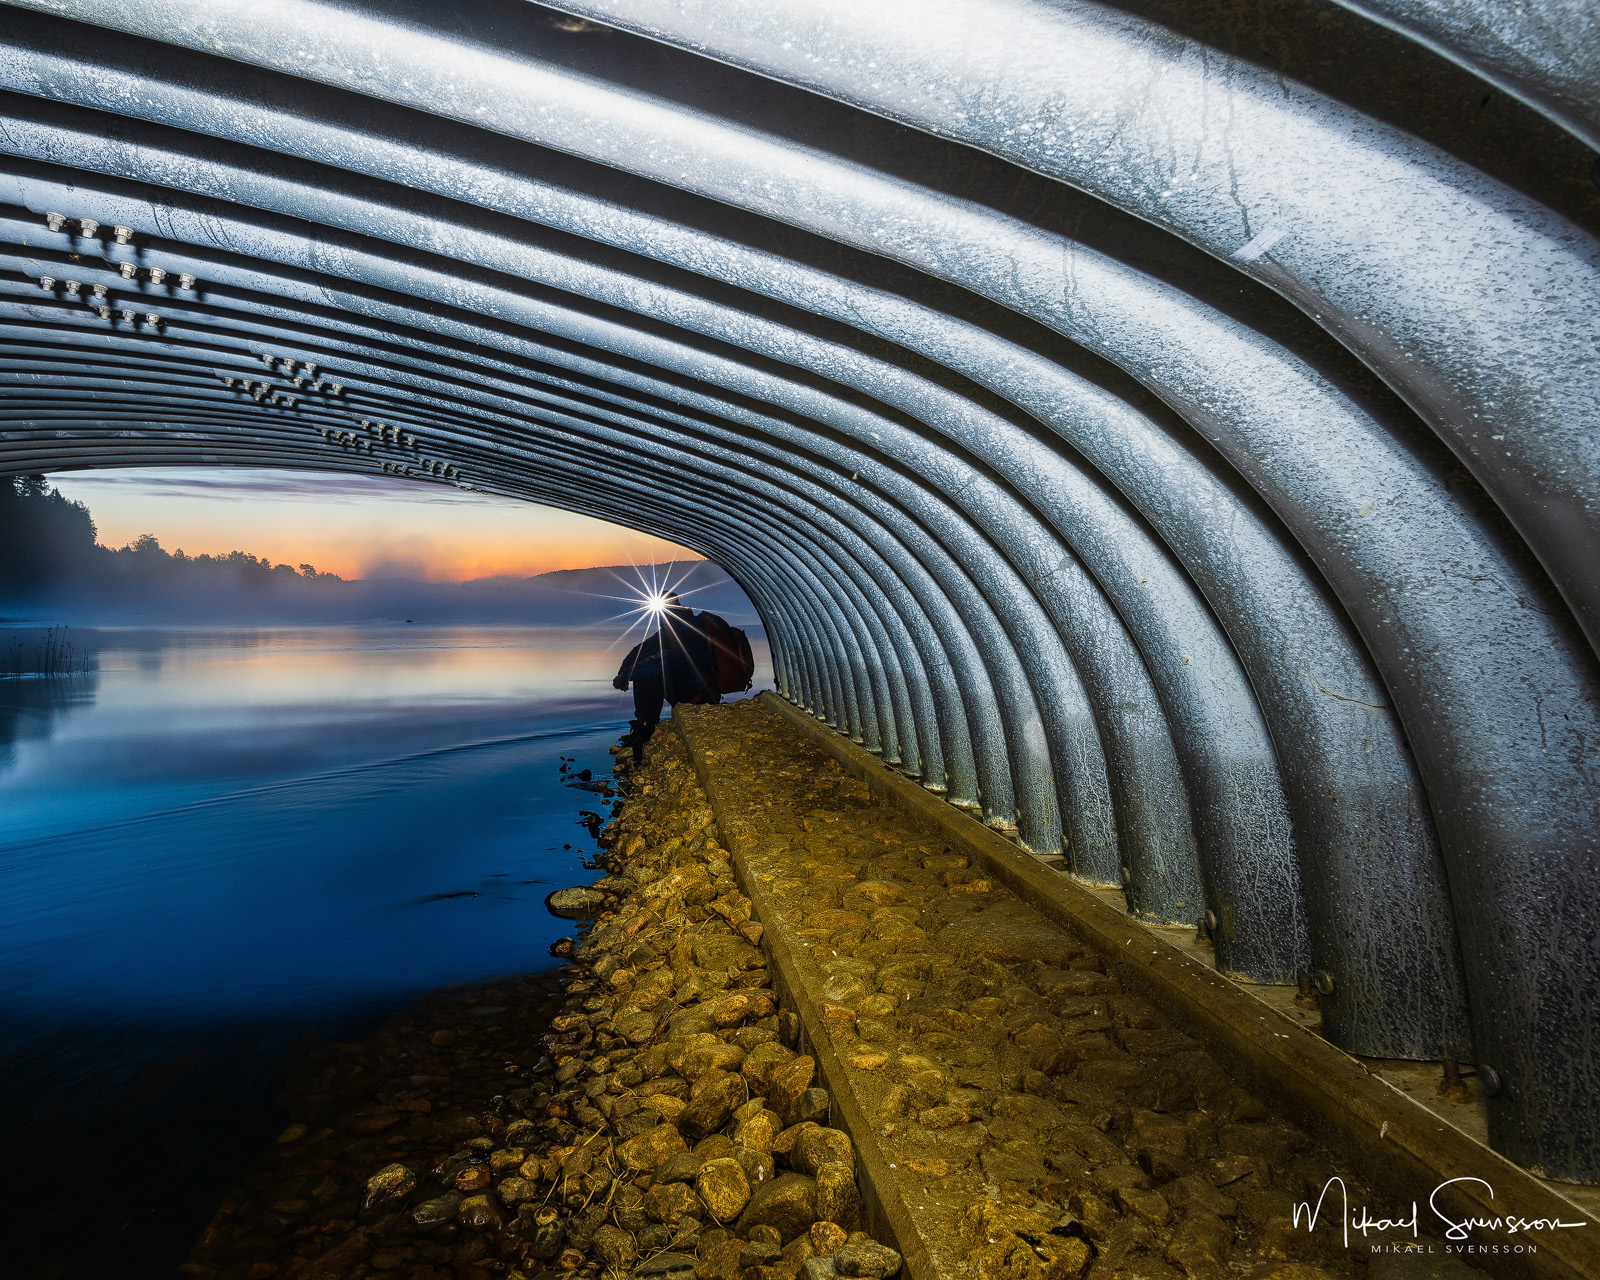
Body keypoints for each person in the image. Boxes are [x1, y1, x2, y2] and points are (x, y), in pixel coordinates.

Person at [612, 592, 718, 755]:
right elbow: (640, 650)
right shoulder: (675, 626)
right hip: (691, 688)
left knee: (648, 675)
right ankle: (643, 726)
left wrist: (626, 676)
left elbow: (663, 661)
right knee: (645, 670)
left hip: (700, 695)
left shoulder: (686, 630)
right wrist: (623, 671)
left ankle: (645, 729)